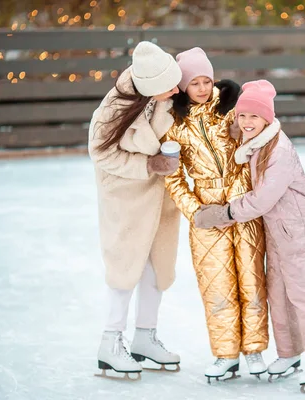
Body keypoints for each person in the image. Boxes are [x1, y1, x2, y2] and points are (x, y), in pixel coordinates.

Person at [194, 80, 305, 392]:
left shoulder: (279, 151)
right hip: (276, 229)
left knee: (304, 293)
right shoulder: (256, 143)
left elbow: (262, 199)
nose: (246, 122)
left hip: (295, 230)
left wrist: (224, 214)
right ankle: (289, 354)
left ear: (267, 119)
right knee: (277, 293)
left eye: (254, 117)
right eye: (242, 116)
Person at [164, 48, 268, 381]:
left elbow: (255, 138)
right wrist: (195, 211)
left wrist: (242, 197)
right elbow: (173, 176)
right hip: (207, 210)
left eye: (207, 81)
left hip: (242, 204)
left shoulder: (230, 111)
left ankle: (254, 350)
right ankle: (226, 354)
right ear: (183, 87)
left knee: (251, 279)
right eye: (194, 82)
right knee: (217, 284)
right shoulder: (174, 125)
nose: (203, 88)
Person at [88, 41, 182, 379]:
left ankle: (145, 337)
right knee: (125, 267)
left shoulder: (165, 95)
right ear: (150, 87)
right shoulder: (112, 110)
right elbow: (101, 154)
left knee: (157, 266)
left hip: (160, 197)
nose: (176, 89)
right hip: (127, 197)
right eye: (168, 85)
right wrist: (149, 165)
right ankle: (110, 341)